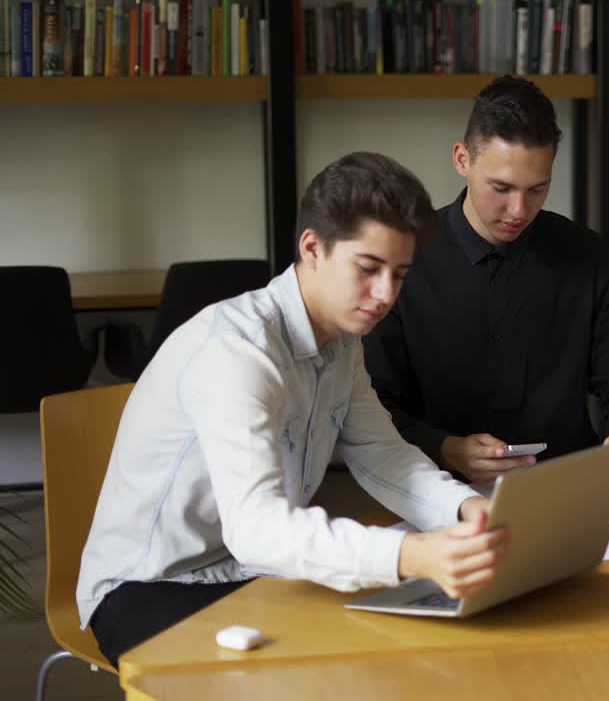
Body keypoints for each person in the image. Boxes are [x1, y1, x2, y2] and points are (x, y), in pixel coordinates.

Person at [77, 152, 509, 668]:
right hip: (148, 585)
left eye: (399, 274)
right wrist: (410, 555)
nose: (386, 295)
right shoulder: (237, 353)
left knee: (412, 647)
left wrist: (467, 510)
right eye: (368, 269)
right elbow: (257, 528)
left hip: (250, 572)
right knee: (347, 663)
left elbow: (383, 454)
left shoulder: (344, 343)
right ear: (312, 248)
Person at [364, 75, 609, 484]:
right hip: (435, 487)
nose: (519, 210)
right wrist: (445, 447)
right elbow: (374, 406)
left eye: (538, 189)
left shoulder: (588, 256)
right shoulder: (403, 259)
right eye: (501, 188)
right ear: (462, 159)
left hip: (569, 484)